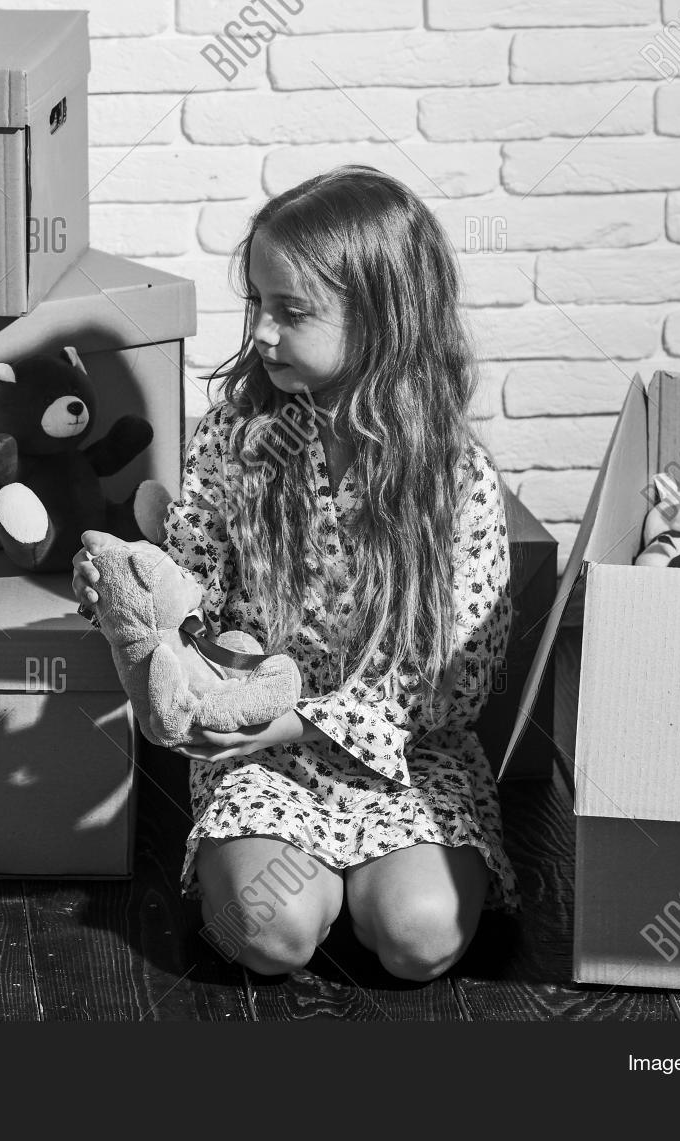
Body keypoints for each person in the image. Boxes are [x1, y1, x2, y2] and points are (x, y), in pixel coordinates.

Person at [73, 165, 518, 980]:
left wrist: (305, 720)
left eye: (291, 310)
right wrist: (135, 597)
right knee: (268, 934)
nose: (263, 333)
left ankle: (376, 884)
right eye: (257, 304)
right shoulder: (234, 435)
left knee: (418, 938)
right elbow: (194, 590)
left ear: (381, 317)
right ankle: (305, 881)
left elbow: (459, 684)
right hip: (259, 747)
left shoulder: (454, 475)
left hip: (409, 754)